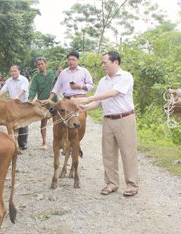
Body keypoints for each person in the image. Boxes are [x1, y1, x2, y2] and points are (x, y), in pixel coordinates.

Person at [74, 51, 139, 197]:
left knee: (128, 152)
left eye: (105, 63)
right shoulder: (103, 81)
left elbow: (113, 93)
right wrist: (86, 107)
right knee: (108, 152)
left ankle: (132, 185)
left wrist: (87, 98)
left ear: (116, 62)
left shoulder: (126, 76)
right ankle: (111, 183)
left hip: (125, 119)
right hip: (108, 119)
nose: (103, 66)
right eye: (103, 63)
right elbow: (98, 102)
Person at [0, 65, 29, 150]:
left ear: (19, 71)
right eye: (11, 71)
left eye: (15, 71)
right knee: (12, 123)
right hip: (13, 105)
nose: (13, 73)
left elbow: (22, 90)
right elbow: (3, 90)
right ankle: (13, 142)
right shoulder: (9, 81)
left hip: (22, 104)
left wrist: (16, 97)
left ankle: (23, 143)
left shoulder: (24, 79)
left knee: (22, 124)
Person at [29, 57, 58, 149]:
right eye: (38, 64)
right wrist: (30, 100)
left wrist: (59, 72)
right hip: (42, 103)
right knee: (43, 123)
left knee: (57, 122)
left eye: (42, 63)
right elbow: (33, 89)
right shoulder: (36, 78)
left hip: (54, 102)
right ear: (36, 66)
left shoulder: (53, 73)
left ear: (46, 63)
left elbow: (60, 82)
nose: (41, 66)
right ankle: (44, 142)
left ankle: (56, 142)